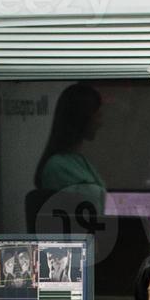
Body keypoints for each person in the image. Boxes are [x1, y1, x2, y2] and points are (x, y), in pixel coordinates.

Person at [34, 83, 107, 214]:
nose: (100, 122)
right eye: (98, 115)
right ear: (82, 117)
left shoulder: (78, 161)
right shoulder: (57, 167)